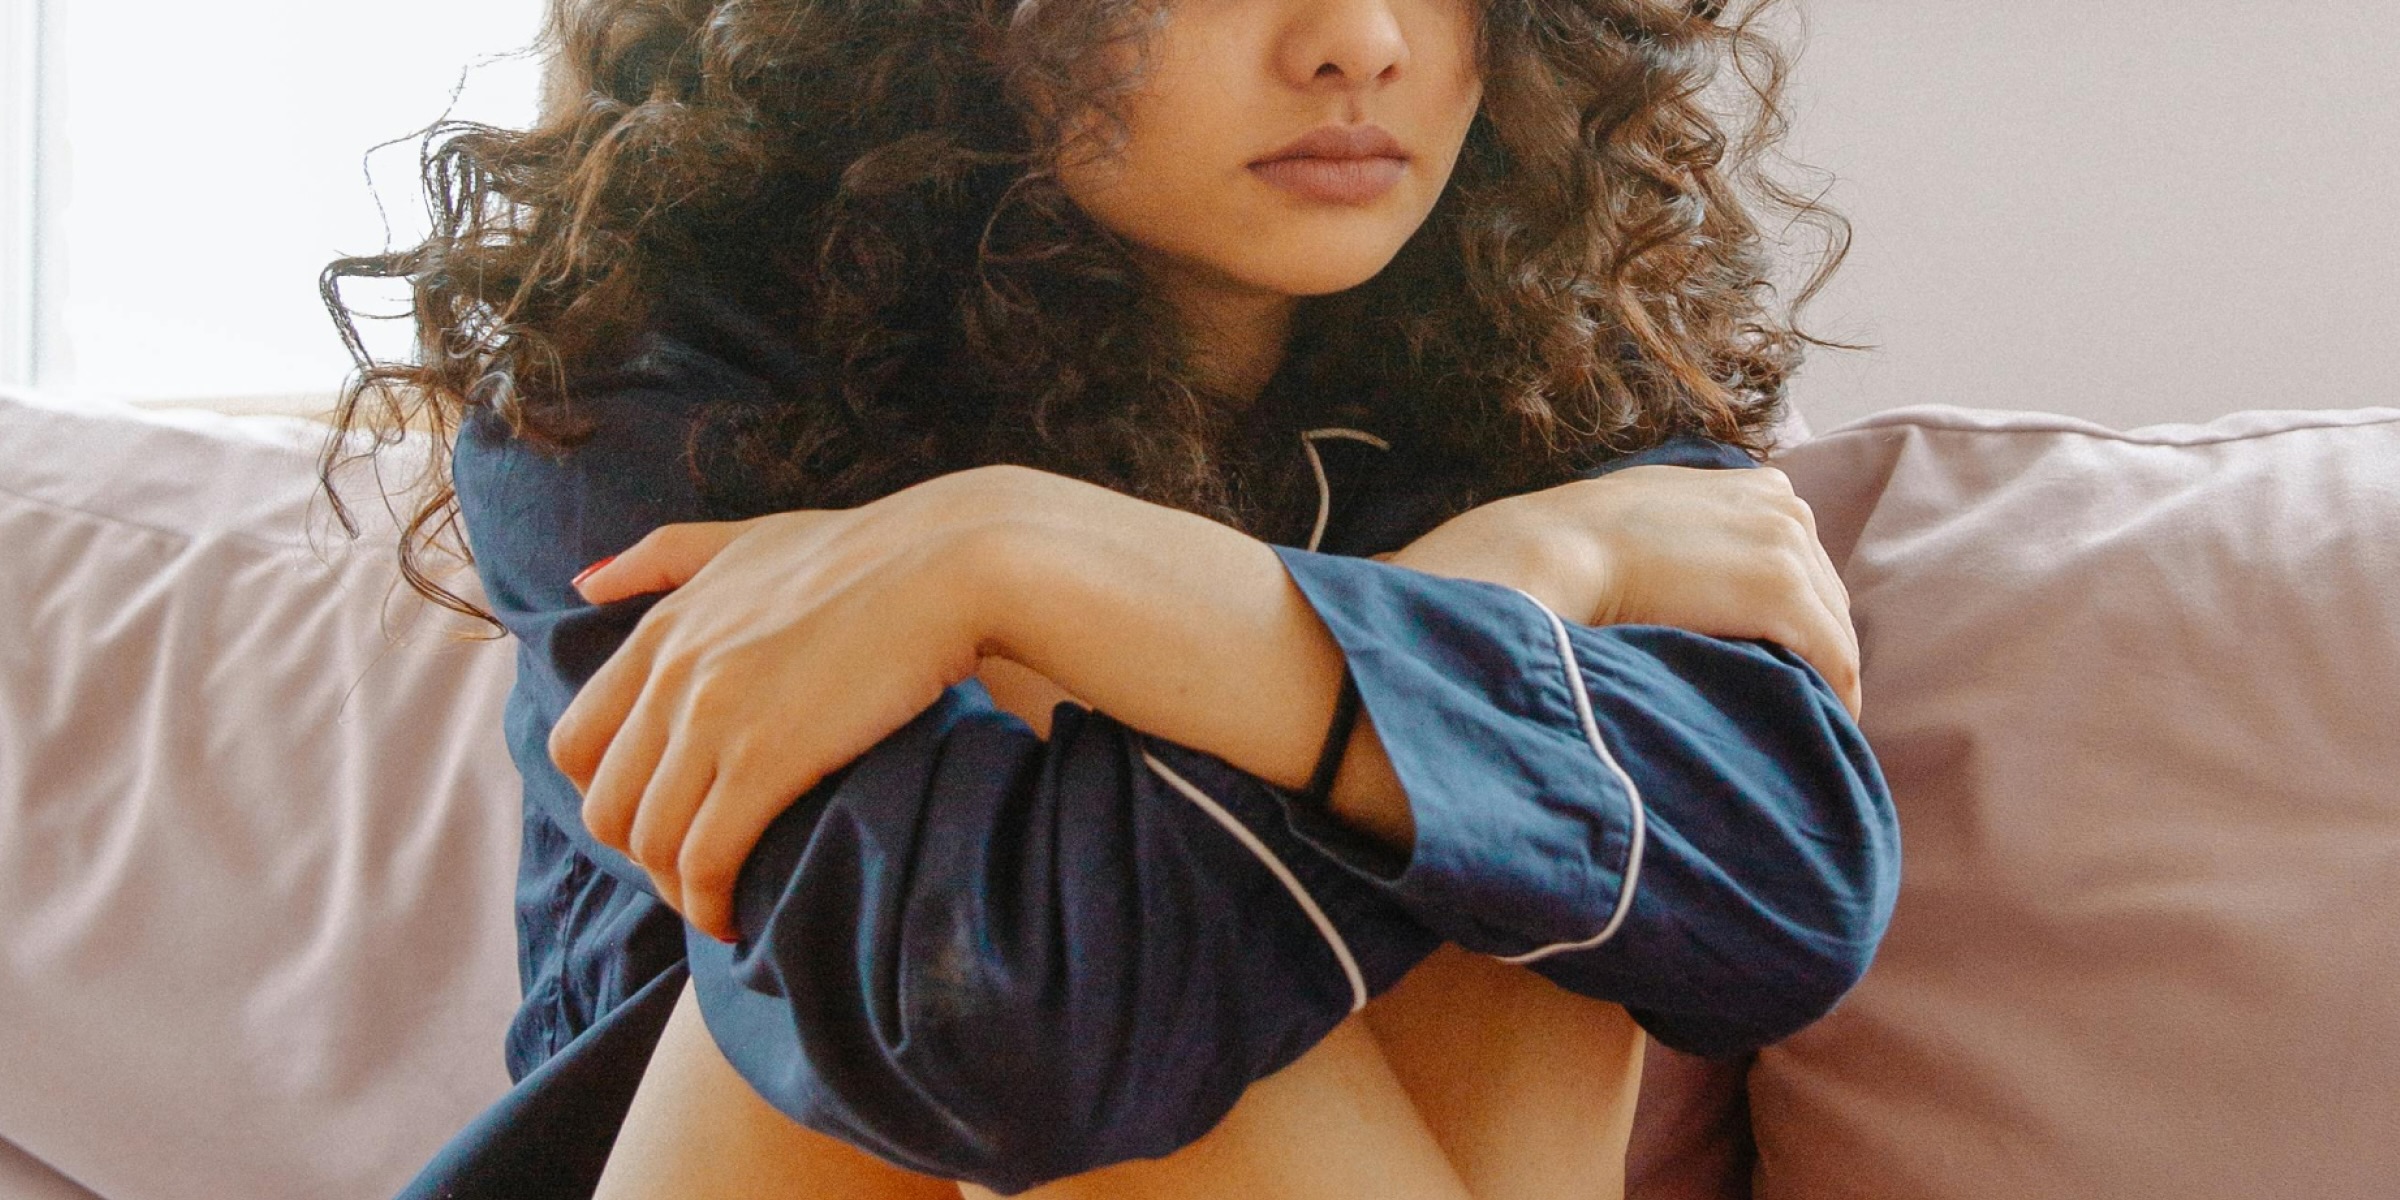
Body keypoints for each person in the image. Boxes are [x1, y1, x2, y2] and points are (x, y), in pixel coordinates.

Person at [321, 0, 1899, 1195]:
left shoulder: (1555, 392)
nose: (1358, 42)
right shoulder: (660, 375)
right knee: (1479, 749)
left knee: (1521, 814)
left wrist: (1015, 558)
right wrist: (1491, 597)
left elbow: (1795, 901)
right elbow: (998, 1028)